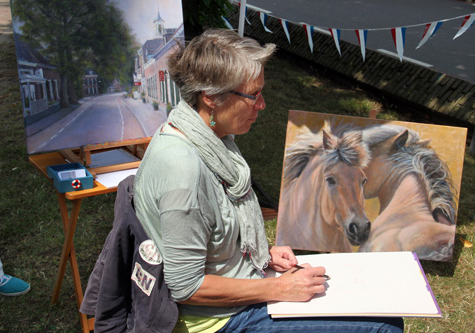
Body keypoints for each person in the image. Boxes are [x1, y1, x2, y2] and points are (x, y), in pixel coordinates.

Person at [134, 29, 404, 332]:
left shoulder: (203, 135)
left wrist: (259, 254)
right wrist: (279, 289)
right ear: (210, 96)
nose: (262, 105)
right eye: (253, 95)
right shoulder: (182, 170)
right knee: (384, 326)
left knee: (386, 313)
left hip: (240, 288)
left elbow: (209, 229)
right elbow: (186, 286)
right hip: (216, 321)